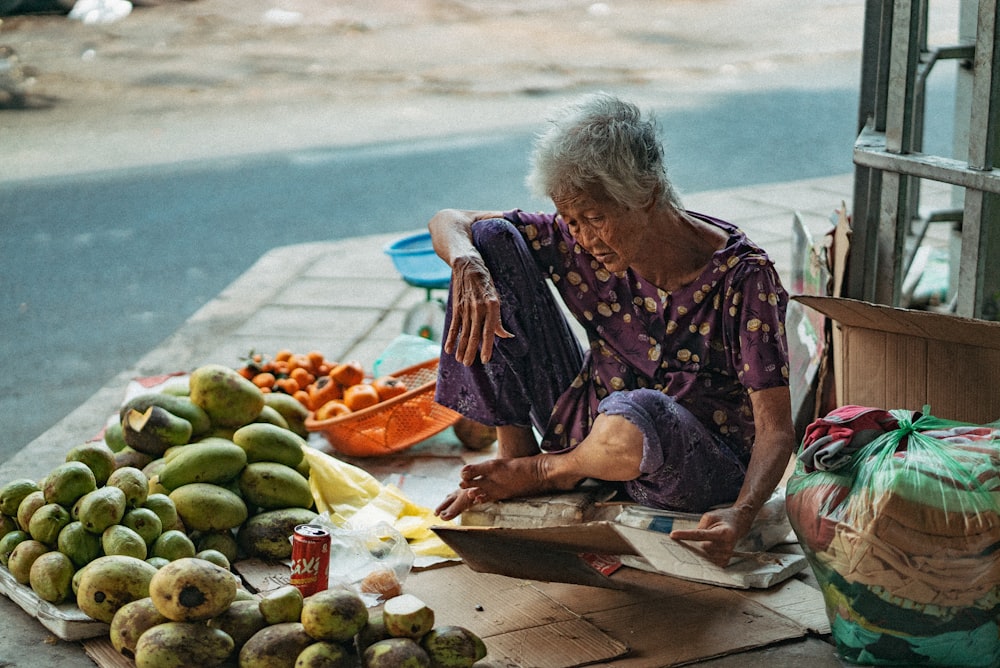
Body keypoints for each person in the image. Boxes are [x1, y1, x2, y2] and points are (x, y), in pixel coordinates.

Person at [428, 93, 796, 567]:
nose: (581, 237)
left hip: (688, 461)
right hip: (593, 427)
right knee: (491, 242)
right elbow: (449, 220)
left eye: (595, 219)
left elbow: (776, 429)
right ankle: (511, 462)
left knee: (638, 412)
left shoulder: (744, 276)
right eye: (571, 221)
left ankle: (541, 471)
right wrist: (466, 262)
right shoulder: (579, 238)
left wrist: (741, 514)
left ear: (644, 195)